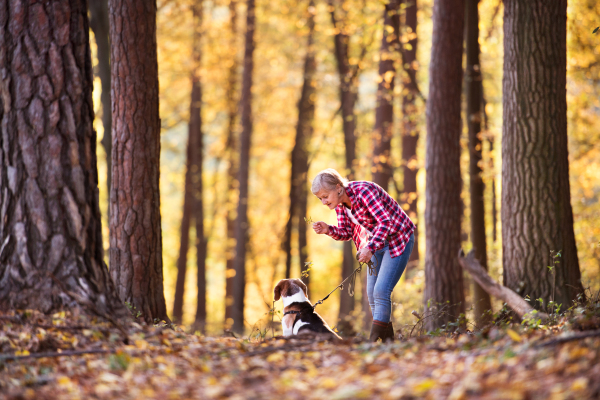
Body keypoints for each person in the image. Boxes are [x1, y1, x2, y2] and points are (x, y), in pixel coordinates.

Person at [311, 168, 415, 342]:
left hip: (397, 238)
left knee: (381, 291)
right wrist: (328, 229)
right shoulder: (341, 206)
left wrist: (370, 248)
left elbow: (385, 221)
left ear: (338, 187)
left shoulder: (365, 191)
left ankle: (372, 342)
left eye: (325, 196)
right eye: (320, 198)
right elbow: (346, 232)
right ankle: (388, 343)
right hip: (376, 244)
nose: (323, 202)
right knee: (371, 294)